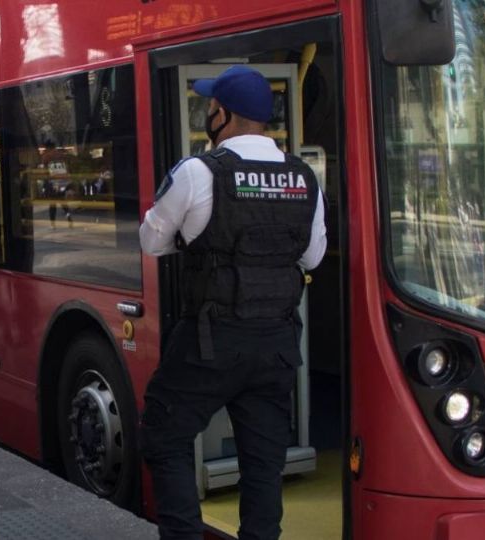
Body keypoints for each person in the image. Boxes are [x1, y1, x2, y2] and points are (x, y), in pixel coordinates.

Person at [138, 65, 326, 540]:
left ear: (222, 114)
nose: (208, 112)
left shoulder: (199, 172)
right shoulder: (303, 178)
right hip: (277, 344)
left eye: (210, 105)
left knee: (165, 434)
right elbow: (313, 254)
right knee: (264, 463)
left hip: (210, 342)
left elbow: (152, 241)